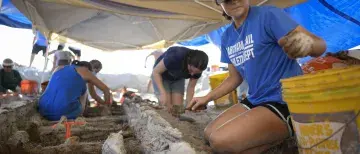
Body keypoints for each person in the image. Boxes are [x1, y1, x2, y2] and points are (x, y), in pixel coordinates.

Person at [186, 0, 326, 153]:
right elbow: (234, 77)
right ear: (219, 3)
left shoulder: (268, 15)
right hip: (256, 99)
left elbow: (320, 45)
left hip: (284, 99)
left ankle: (289, 130)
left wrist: (308, 45)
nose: (235, 1)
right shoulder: (227, 37)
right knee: (209, 133)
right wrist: (206, 98)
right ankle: (271, 141)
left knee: (220, 141)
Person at [38, 60, 112, 121]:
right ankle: (79, 115)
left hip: (43, 109)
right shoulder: (86, 72)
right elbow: (105, 90)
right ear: (90, 69)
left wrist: (104, 103)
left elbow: (93, 95)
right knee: (84, 92)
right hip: (61, 114)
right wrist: (107, 106)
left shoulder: (59, 68)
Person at [152, 46, 208, 115]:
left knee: (177, 109)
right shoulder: (175, 56)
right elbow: (156, 72)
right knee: (167, 106)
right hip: (161, 76)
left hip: (178, 78)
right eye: (190, 70)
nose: (192, 74)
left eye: (195, 73)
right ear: (188, 61)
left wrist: (189, 107)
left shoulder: (198, 68)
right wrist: (163, 93)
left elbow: (191, 88)